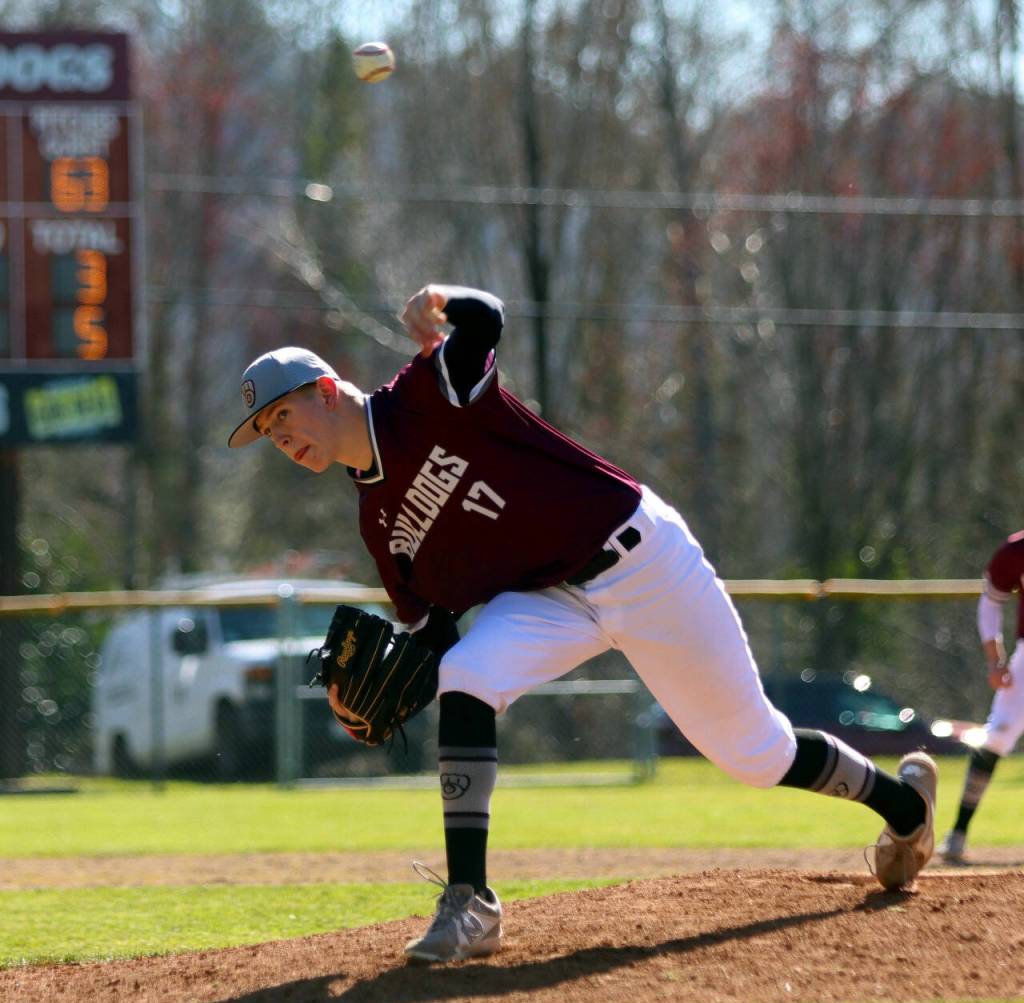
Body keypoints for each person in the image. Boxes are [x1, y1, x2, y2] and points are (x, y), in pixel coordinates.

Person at [228, 283, 938, 963]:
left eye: (282, 417)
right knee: (466, 673)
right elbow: (434, 632)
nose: (280, 441)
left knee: (755, 754)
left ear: (325, 391)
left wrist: (445, 299)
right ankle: (470, 902)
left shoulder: (423, 395)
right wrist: (372, 708)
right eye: (267, 433)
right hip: (555, 598)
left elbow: (487, 324)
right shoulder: (378, 525)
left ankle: (904, 805)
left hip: (641, 557)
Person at [938, 531, 1023, 863]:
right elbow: (991, 602)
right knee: (997, 735)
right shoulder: (1017, 551)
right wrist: (995, 658)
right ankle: (958, 832)